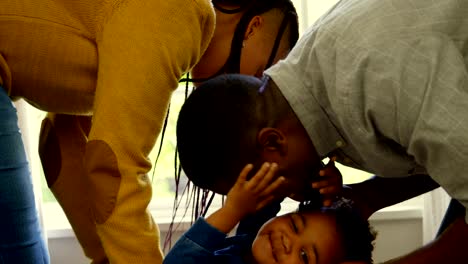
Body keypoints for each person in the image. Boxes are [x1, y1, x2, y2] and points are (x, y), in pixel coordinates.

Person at [0, 0, 298, 263]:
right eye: (261, 75)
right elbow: (116, 167)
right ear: (253, 28)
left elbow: (60, 140)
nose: (248, 98)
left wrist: (106, 257)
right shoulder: (179, 12)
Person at [175, 1, 468, 262]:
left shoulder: (379, 83)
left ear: (273, 142)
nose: (291, 198)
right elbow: (443, 152)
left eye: (272, 187)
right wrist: (370, 195)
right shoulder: (316, 88)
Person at [164, 162, 376, 264]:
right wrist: (321, 182)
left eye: (304, 256)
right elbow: (274, 185)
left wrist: (232, 211)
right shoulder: (252, 242)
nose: (287, 241)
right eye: (294, 225)